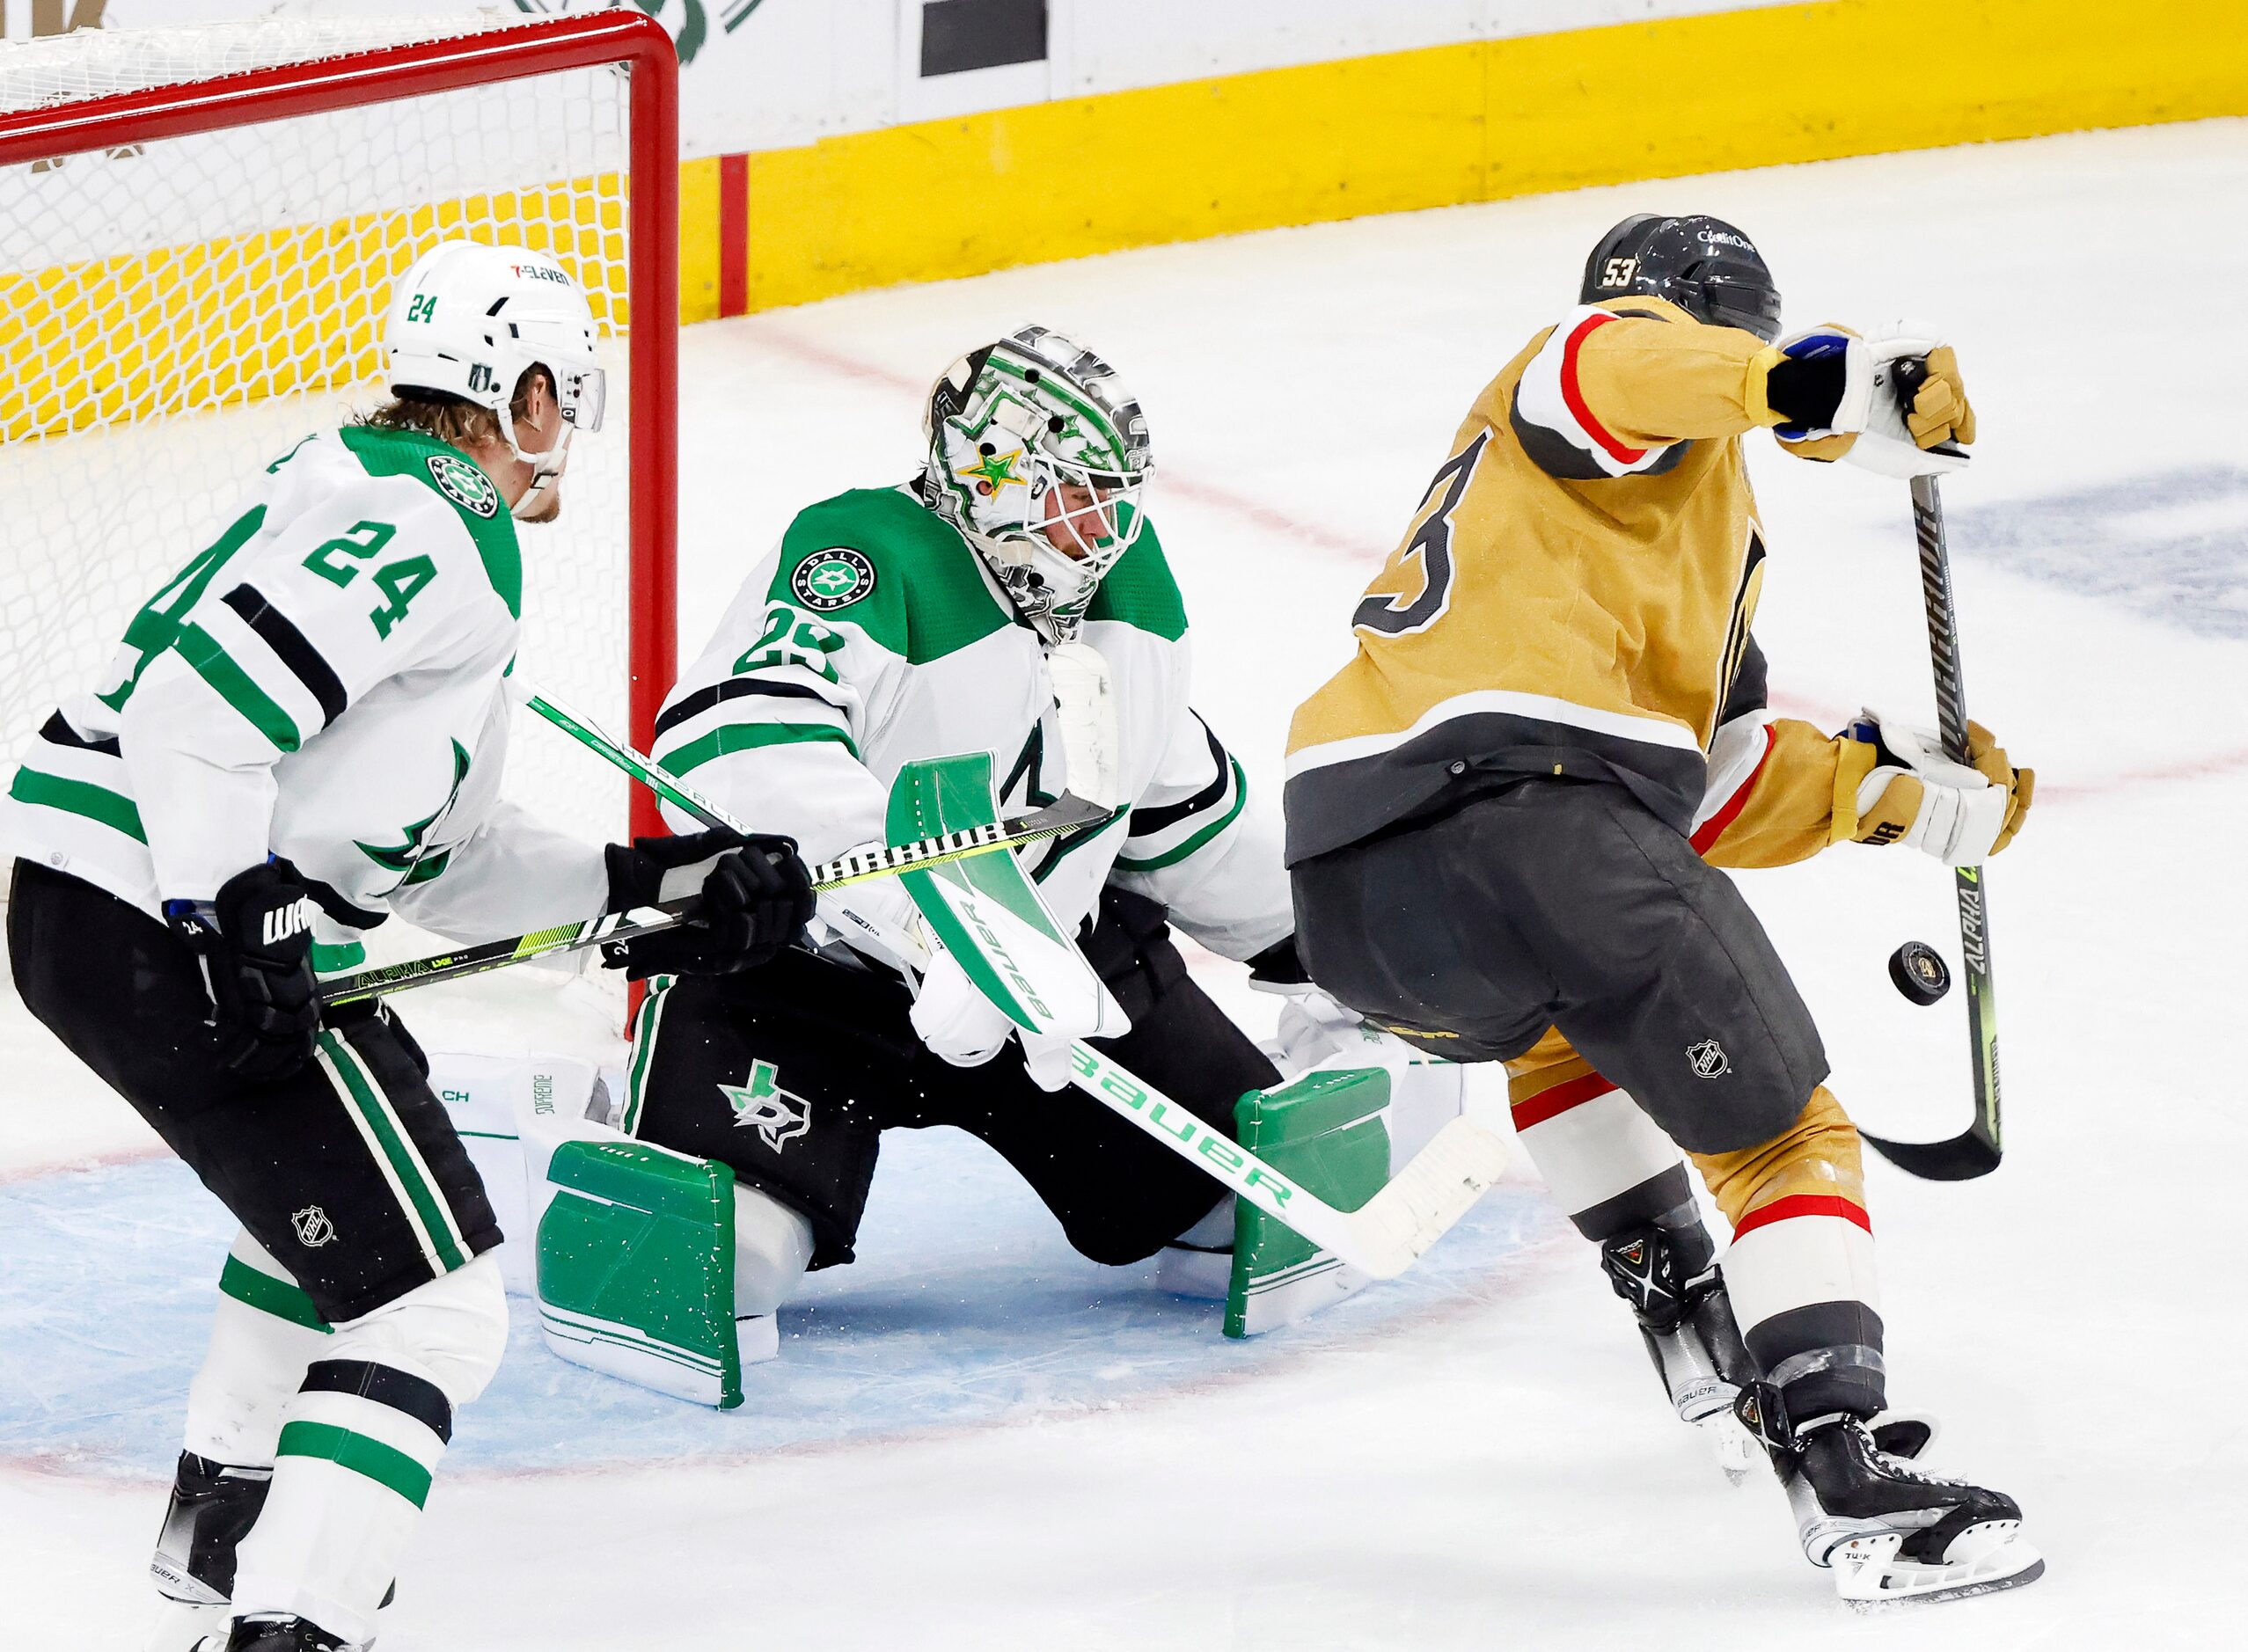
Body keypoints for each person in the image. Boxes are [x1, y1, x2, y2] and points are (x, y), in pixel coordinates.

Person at [2, 239, 814, 1652]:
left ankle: (228, 1532)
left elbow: (425, 857)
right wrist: (232, 907)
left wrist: (645, 883)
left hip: (101, 913)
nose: (573, 430)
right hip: (154, 914)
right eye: (565, 392)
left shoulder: (376, 491)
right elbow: (196, 714)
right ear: (526, 394)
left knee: (326, 1210)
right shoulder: (435, 524)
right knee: (433, 1309)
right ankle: (289, 1626)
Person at [1282, 214, 2041, 1603]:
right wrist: (1829, 380)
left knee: (1561, 1023)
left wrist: (1886, 794)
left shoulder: (1645, 532)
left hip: (1353, 874)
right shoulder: (1590, 369)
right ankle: (1845, 1477)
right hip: (1531, 816)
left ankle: (1682, 1304)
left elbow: (1697, 793)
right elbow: (1632, 366)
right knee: (1779, 1138)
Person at [621, 325, 1304, 1330]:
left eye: (1117, 495)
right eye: (1076, 491)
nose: (1104, 526)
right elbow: (739, 745)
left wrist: (1329, 943)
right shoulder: (864, 551)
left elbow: (1172, 808)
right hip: (817, 980)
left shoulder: (1131, 597)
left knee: (1242, 1218)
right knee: (721, 1265)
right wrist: (925, 921)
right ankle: (642, 1143)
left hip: (1044, 985)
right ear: (995, 475)